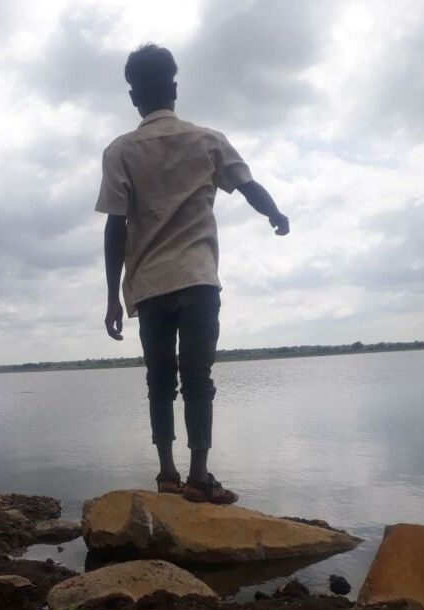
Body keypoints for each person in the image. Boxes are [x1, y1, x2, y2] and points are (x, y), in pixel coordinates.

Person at [96, 43, 289, 504]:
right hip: (198, 278)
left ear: (133, 97)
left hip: (149, 285)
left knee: (159, 381)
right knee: (198, 378)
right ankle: (199, 477)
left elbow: (115, 226)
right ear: (175, 89)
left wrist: (112, 297)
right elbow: (248, 186)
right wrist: (275, 214)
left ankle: (167, 475)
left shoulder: (120, 151)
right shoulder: (208, 140)